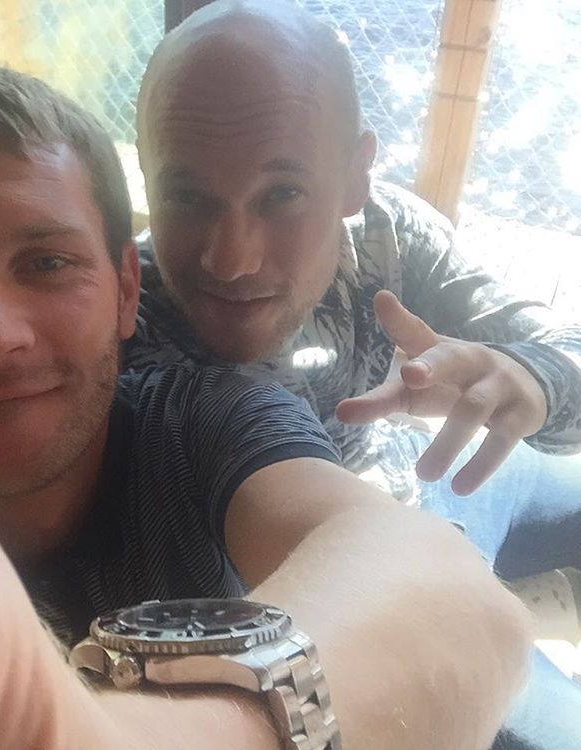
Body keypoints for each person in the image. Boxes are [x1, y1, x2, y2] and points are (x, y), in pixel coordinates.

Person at [0, 61, 531, 749]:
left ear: (125, 291)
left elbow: (447, 594)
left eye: (46, 264)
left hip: (465, 472)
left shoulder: (204, 423)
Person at [124, 1, 581, 746]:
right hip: (354, 602)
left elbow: (566, 350)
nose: (231, 259)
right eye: (186, 197)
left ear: (355, 176)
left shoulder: (386, 238)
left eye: (282, 194)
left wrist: (528, 377)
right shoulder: (121, 325)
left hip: (440, 471)